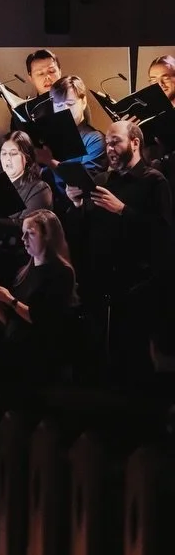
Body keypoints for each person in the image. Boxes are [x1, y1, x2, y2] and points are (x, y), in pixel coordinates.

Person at [63, 117, 174, 385]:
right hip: (98, 283)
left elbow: (163, 233)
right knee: (99, 359)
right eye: (107, 143)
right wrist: (76, 204)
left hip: (137, 285)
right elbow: (80, 233)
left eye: (116, 142)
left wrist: (122, 210)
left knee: (133, 360)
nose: (109, 148)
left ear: (134, 143)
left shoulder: (154, 181)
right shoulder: (100, 180)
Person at [0, 210, 83, 386]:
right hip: (16, 354)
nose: (23, 239)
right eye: (23, 233)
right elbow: (11, 322)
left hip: (43, 359)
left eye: (31, 234)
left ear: (47, 236)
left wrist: (9, 299)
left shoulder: (61, 272)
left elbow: (42, 319)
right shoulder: (23, 272)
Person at [0, 131, 54, 281]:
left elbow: (27, 226)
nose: (7, 159)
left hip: (19, 255)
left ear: (26, 158)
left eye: (13, 154)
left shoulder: (39, 188)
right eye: (4, 153)